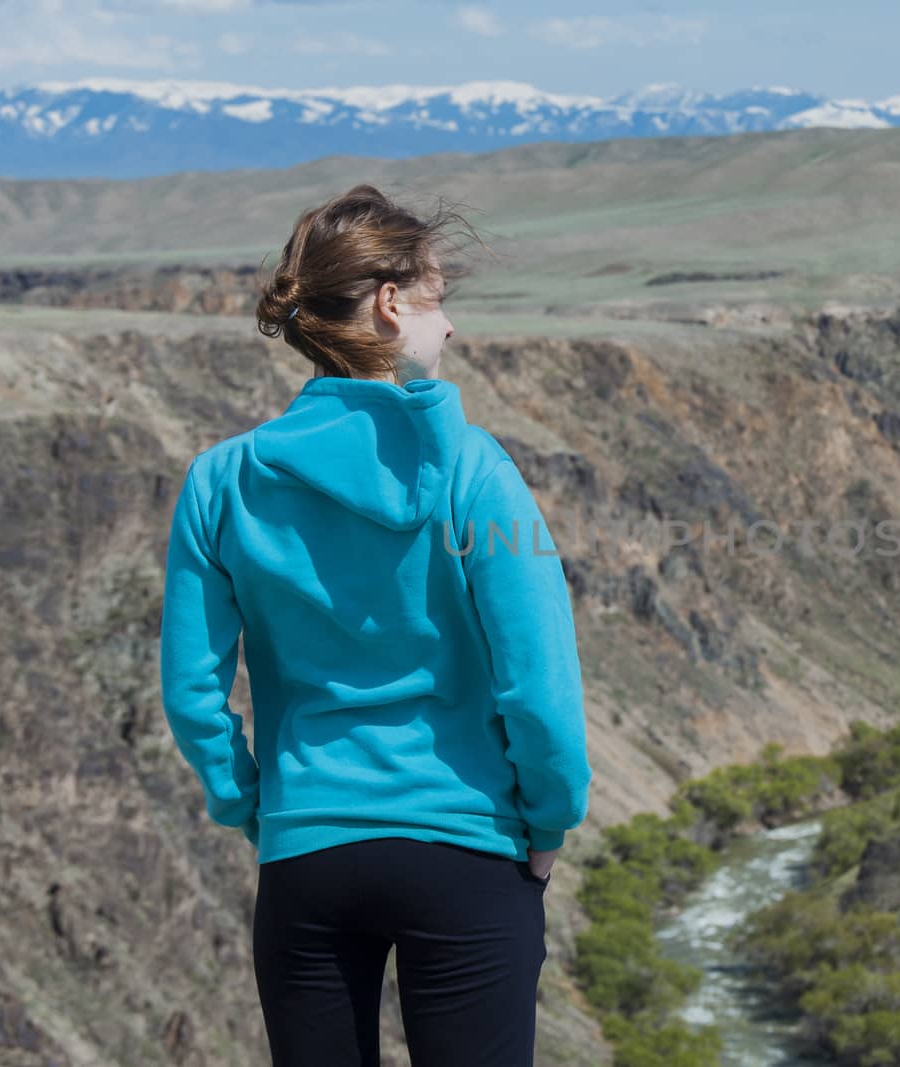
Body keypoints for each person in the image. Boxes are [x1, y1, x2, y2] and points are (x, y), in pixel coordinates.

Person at [157, 183, 592, 1067]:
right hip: (467, 850)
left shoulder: (219, 482)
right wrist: (548, 824)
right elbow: (540, 680)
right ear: (392, 307)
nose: (452, 328)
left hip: (308, 855)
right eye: (440, 302)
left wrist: (254, 807)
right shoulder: (481, 475)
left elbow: (192, 690)